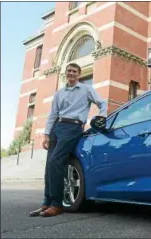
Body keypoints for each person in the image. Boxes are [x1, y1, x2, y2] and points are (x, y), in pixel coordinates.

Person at [29, 63, 107, 217]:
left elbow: (102, 103)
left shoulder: (86, 89)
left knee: (55, 162)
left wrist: (101, 117)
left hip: (72, 127)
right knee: (48, 167)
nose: (71, 73)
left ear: (79, 74)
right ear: (66, 73)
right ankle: (46, 202)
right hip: (56, 128)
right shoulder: (59, 93)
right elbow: (52, 114)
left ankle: (57, 204)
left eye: (74, 71)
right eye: (69, 71)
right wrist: (46, 134)